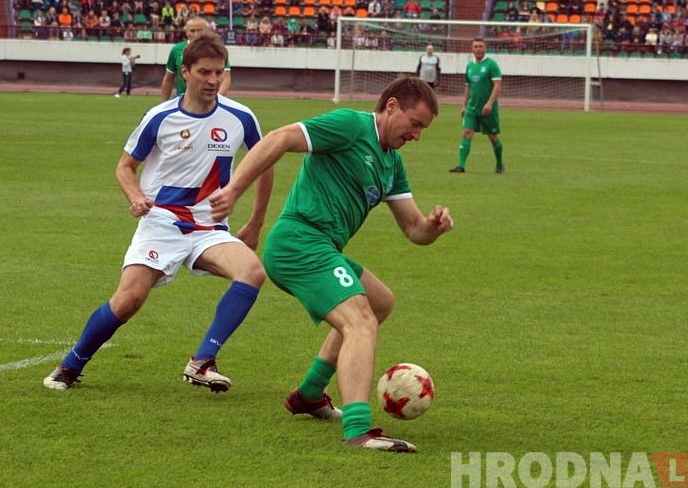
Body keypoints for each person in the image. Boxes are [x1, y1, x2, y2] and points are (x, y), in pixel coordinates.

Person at [208, 76, 453, 453]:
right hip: (298, 242)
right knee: (361, 321)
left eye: (423, 128)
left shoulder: (392, 164)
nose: (418, 135)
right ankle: (358, 429)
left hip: (322, 248)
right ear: (391, 107)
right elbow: (279, 138)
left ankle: (309, 393)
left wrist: (433, 228)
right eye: (415, 124)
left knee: (380, 302)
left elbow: (414, 230)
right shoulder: (351, 126)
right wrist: (234, 189)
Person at [43, 35, 274, 392]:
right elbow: (125, 167)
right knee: (129, 299)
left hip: (209, 227)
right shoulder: (160, 116)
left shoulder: (240, 116)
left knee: (252, 272)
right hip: (161, 220)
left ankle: (202, 361)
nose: (213, 80)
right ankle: (71, 364)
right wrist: (136, 197)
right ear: (185, 72)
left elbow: (265, 164)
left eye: (218, 72)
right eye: (204, 72)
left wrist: (256, 222)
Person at [449, 36, 504, 174]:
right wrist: (464, 105)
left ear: (485, 48)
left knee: (493, 137)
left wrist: (490, 103)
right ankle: (461, 166)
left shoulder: (492, 65)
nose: (478, 49)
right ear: (472, 49)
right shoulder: (470, 66)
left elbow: (497, 85)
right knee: (466, 133)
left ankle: (499, 164)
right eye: (476, 47)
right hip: (472, 108)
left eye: (481, 46)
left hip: (487, 109)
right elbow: (468, 87)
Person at [160, 17, 232, 100]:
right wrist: (163, 104)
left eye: (199, 30)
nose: (196, 34)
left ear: (207, 30)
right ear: (186, 32)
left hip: (209, 101)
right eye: (192, 31)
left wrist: (216, 99)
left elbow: (226, 78)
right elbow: (168, 79)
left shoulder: (216, 50)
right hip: (183, 102)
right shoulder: (176, 50)